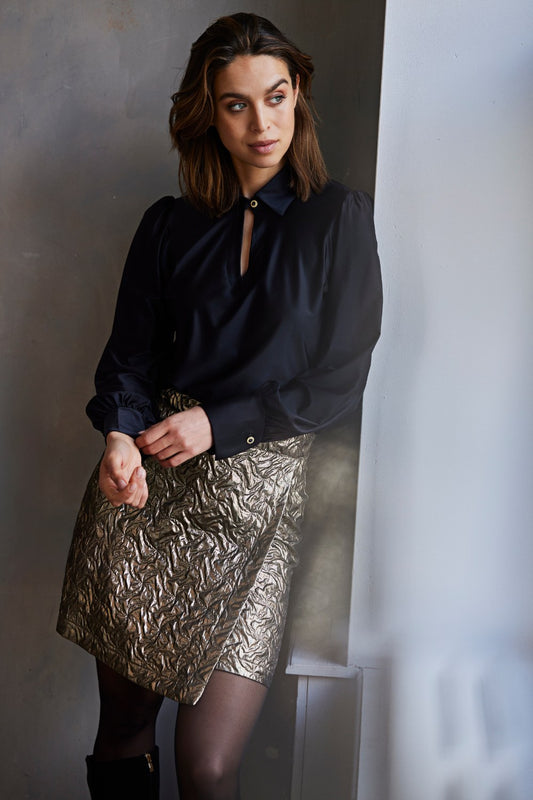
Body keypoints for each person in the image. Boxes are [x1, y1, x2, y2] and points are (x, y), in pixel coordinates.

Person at [57, 12, 382, 800]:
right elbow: (129, 362)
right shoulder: (167, 226)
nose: (261, 123)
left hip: (261, 500)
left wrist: (218, 422)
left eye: (275, 96)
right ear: (209, 114)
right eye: (236, 104)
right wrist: (119, 438)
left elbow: (341, 377)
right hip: (149, 493)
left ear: (297, 93)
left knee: (207, 766)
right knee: (123, 729)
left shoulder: (336, 219)